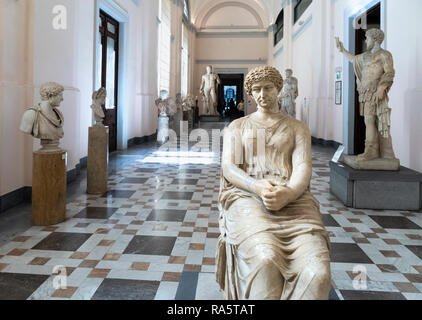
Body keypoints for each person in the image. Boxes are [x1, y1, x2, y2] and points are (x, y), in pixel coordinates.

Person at [217, 66, 331, 300]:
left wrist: (289, 192)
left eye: (268, 88)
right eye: (256, 89)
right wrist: (255, 186)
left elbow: (303, 167)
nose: (262, 94)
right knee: (265, 259)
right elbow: (229, 167)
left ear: (278, 89)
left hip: (294, 199)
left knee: (317, 272)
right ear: (250, 93)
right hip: (248, 197)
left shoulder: (298, 128)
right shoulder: (238, 127)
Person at [336, 28, 396, 161]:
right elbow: (354, 60)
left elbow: (389, 72)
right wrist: (343, 50)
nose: (366, 40)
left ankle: (373, 151)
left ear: (375, 40)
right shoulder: (366, 56)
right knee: (369, 120)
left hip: (375, 92)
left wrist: (381, 88)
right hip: (366, 93)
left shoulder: (384, 54)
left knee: (373, 120)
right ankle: (375, 150)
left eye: (368, 38)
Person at [20, 82, 65, 151]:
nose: (62, 99)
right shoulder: (31, 114)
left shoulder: (58, 114)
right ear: (50, 96)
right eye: (60, 95)